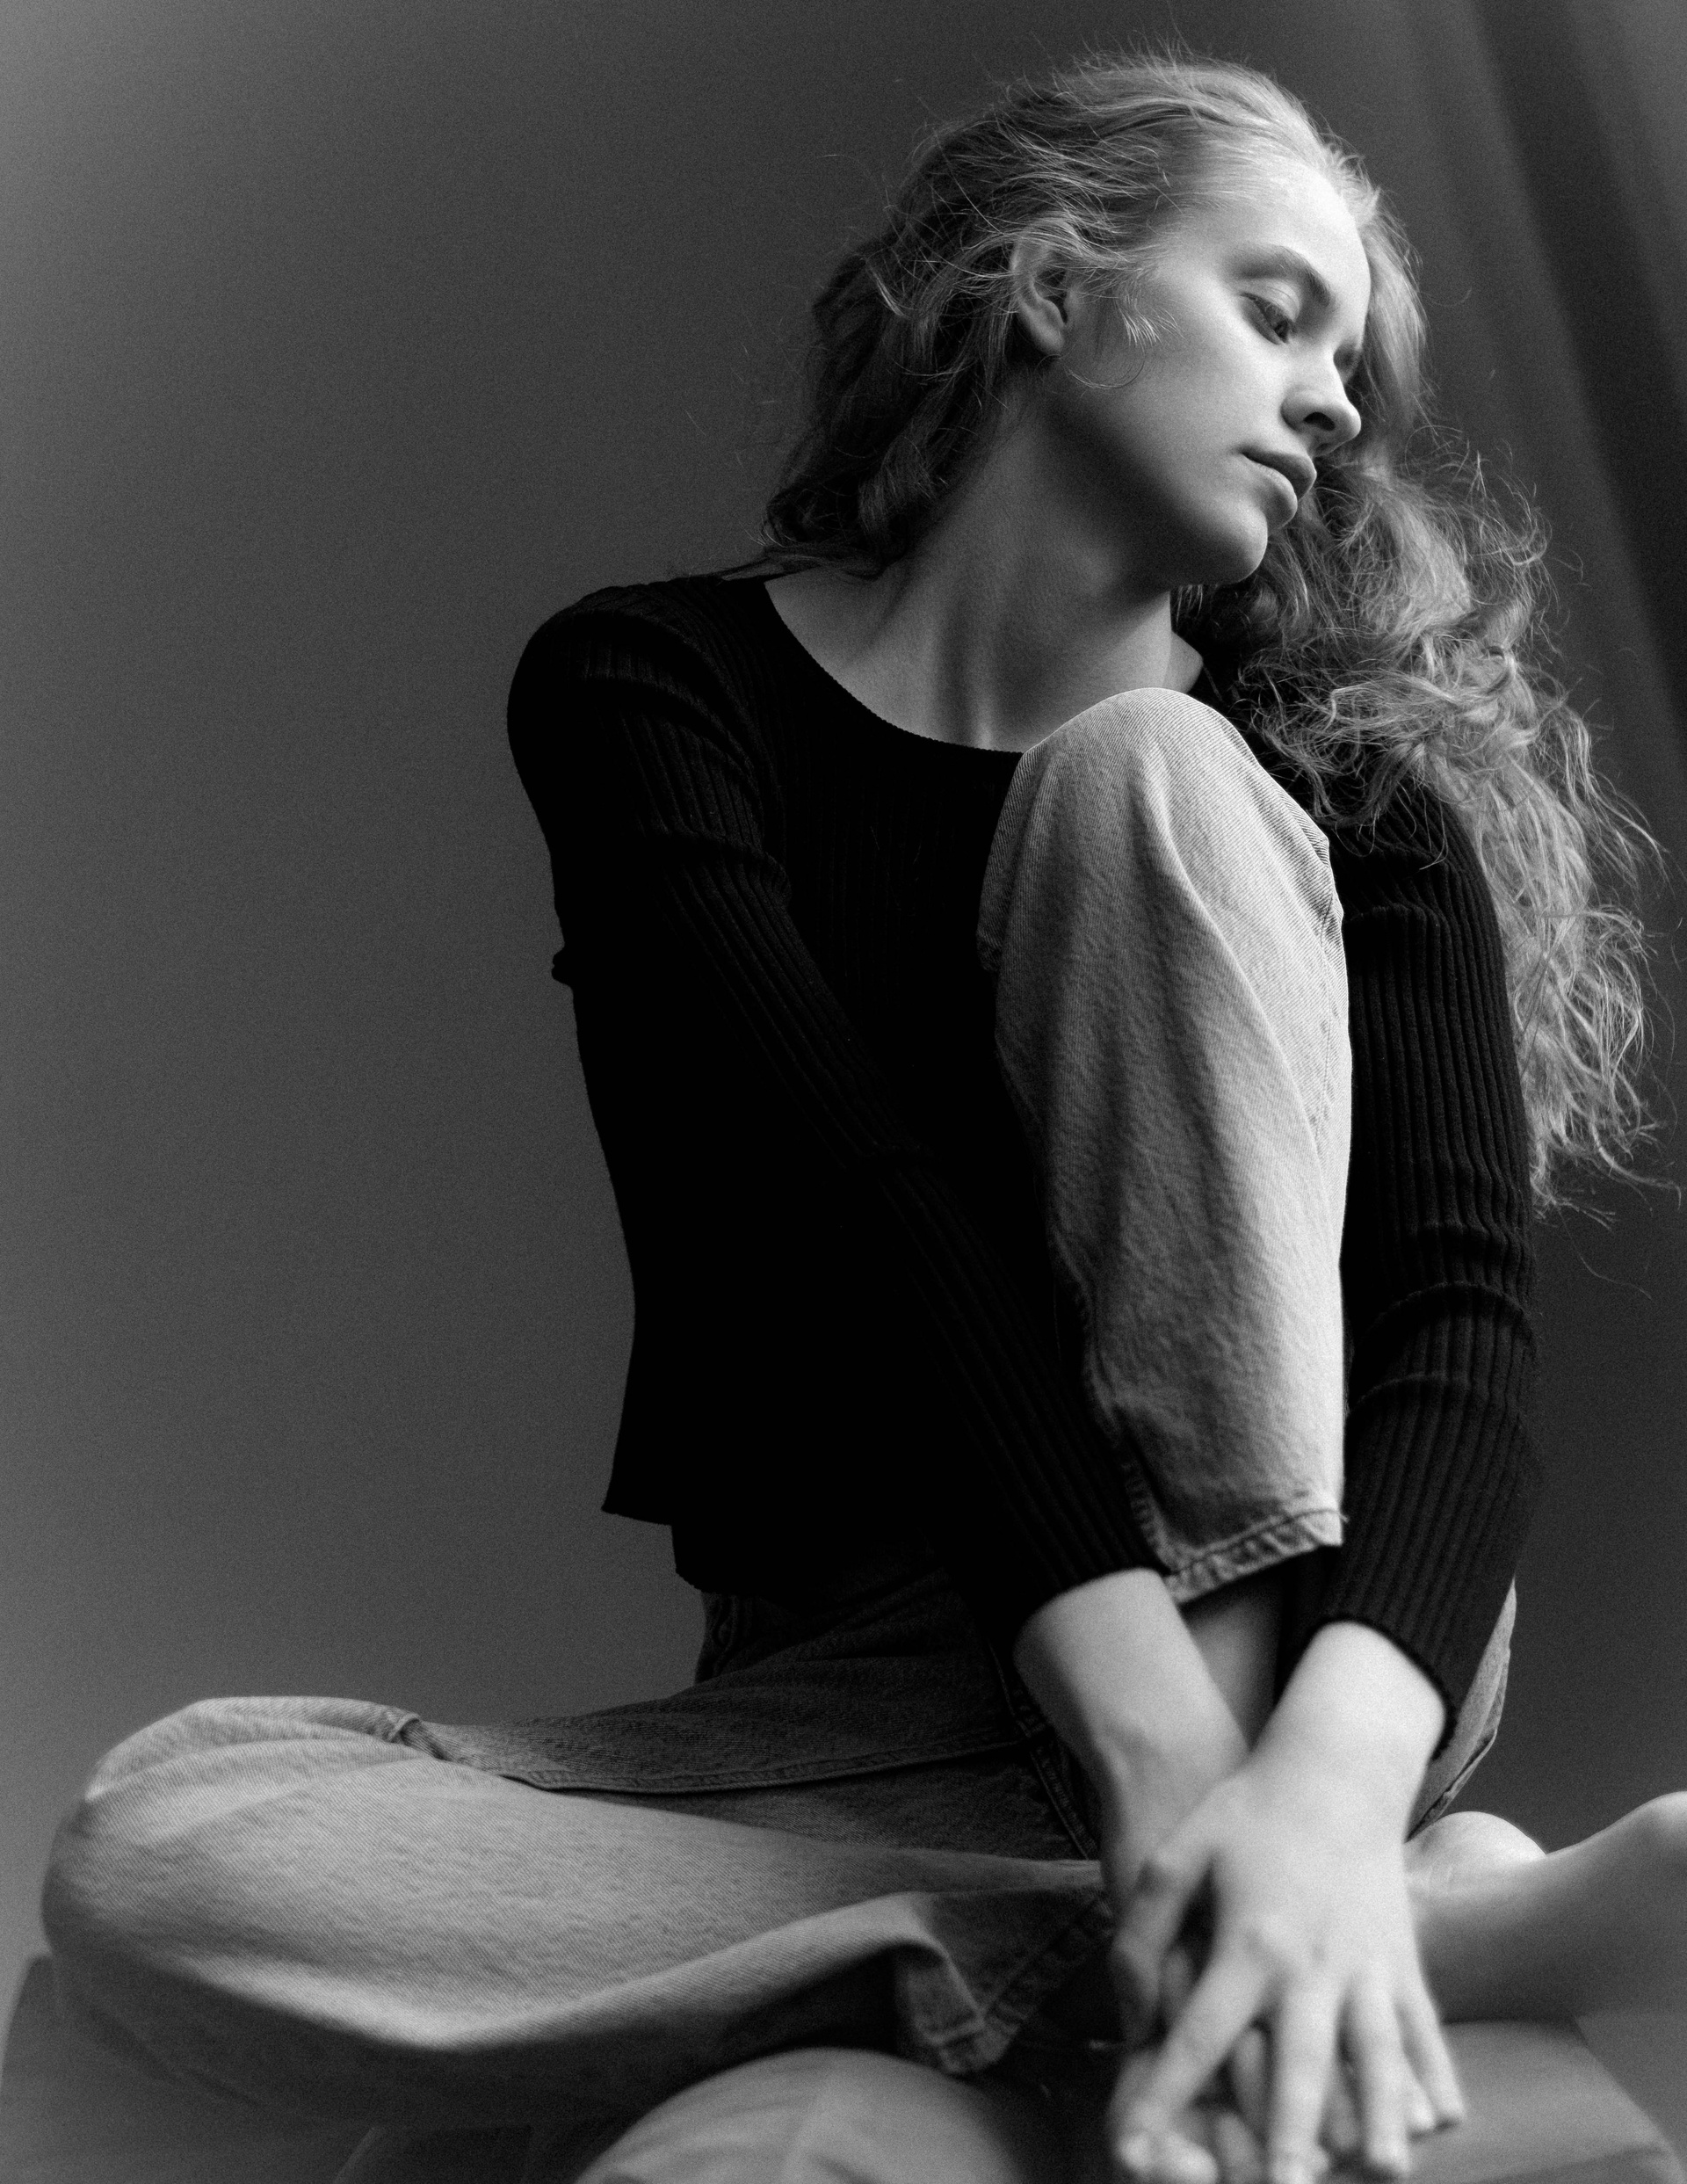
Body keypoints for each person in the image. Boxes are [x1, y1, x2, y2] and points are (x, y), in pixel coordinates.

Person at [40, 47, 1670, 2184]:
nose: (1337, 406)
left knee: (1139, 775)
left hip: (1321, 1664)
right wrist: (1183, 1821)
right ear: (1053, 283)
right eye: (1279, 313)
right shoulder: (658, 691)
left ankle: (1260, 1879)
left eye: (1353, 364)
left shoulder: (1345, 796)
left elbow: (1459, 1338)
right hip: (864, 1708)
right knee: (159, 1852)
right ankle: (1333, 1943)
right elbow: (875, 1211)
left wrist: (1314, 1786)